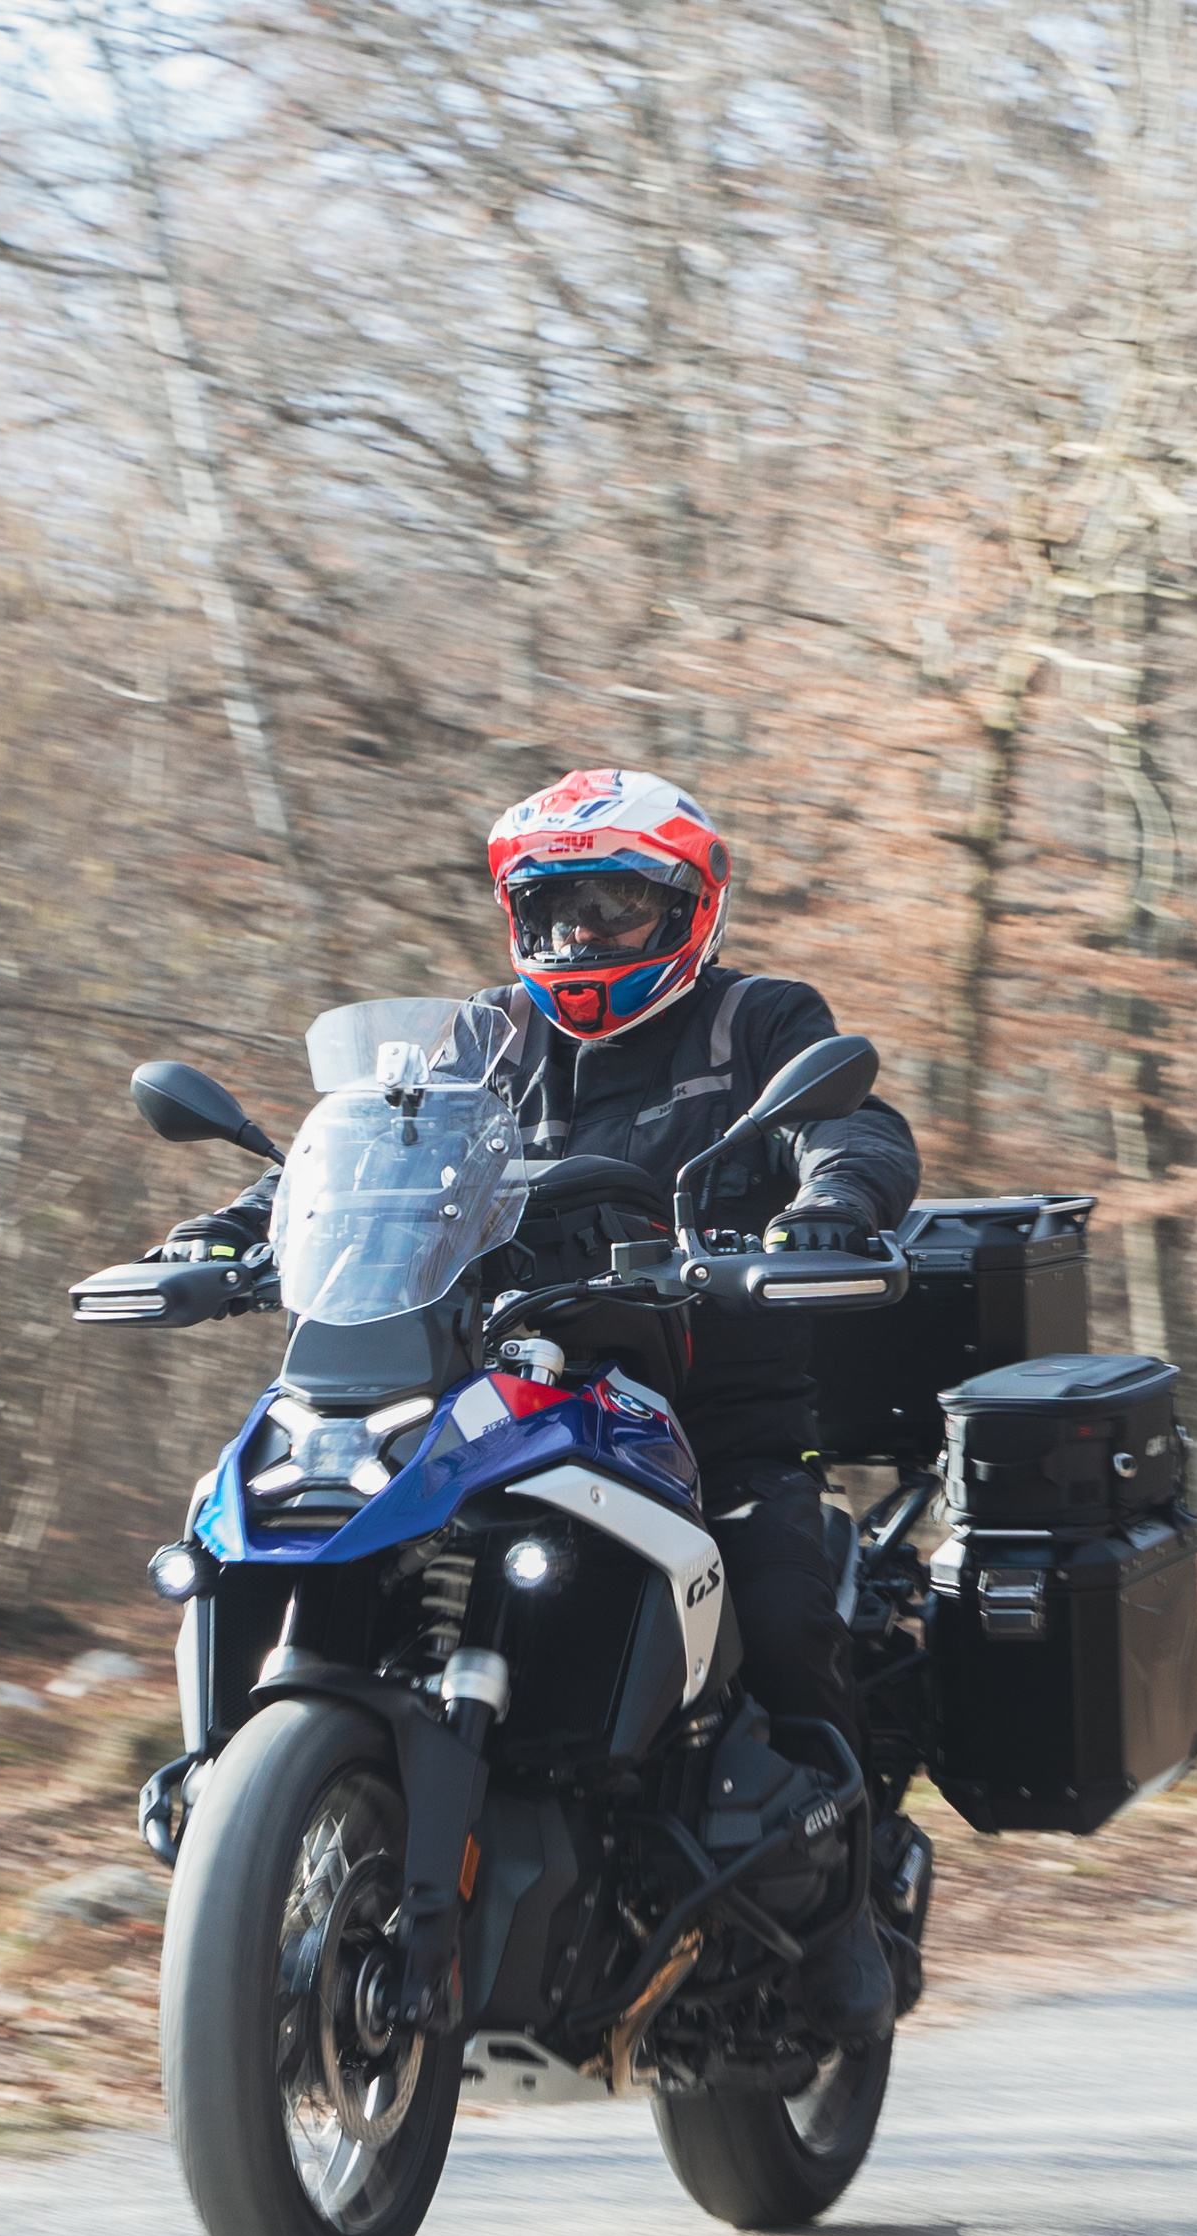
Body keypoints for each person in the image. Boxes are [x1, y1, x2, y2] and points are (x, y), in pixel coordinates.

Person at [153, 767, 919, 2041]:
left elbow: (858, 1133)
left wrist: (827, 1206)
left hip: (703, 1394)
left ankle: (843, 1934)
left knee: (783, 1606)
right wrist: (230, 1232)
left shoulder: (757, 1024)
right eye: (552, 908)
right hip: (485, 1380)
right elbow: (357, 1152)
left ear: (686, 908)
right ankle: (256, 1814)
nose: (580, 937)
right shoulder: (478, 1040)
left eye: (615, 905)